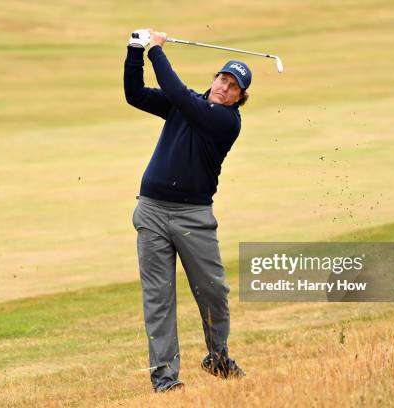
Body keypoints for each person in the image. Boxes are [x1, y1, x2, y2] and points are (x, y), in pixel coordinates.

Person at [124, 29, 248, 392]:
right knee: (158, 299)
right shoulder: (188, 103)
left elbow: (180, 95)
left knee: (213, 292)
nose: (225, 87)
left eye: (233, 87)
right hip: (151, 211)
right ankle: (165, 380)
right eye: (222, 79)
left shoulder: (226, 122)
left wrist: (156, 52)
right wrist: (135, 51)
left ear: (239, 98)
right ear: (214, 79)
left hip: (193, 217)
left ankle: (218, 356)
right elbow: (135, 95)